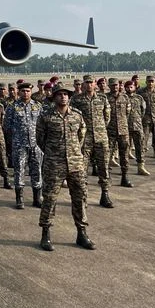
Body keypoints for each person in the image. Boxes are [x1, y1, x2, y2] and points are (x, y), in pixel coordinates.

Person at [36, 83, 95, 252]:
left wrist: (74, 152)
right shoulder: (46, 116)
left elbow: (81, 136)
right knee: (50, 199)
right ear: (54, 97)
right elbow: (40, 139)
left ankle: (81, 233)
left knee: (80, 197)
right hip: (54, 164)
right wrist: (54, 153)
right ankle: (45, 234)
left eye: (66, 94)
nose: (63, 96)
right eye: (59, 94)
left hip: (76, 163)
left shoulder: (77, 115)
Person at [71, 75, 114, 208]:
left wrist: (100, 129)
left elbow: (107, 117)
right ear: (83, 84)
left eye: (91, 82)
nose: (89, 85)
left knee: (104, 168)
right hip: (85, 139)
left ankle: (105, 194)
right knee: (82, 169)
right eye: (87, 82)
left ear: (95, 84)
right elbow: (73, 117)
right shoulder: (77, 99)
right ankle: (83, 196)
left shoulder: (102, 98)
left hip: (101, 138)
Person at [4, 82, 44, 209]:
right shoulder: (12, 107)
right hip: (19, 145)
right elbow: (7, 126)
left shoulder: (38, 106)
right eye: (23, 91)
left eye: (28, 91)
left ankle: (37, 198)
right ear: (19, 92)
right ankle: (19, 199)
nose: (25, 93)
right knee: (19, 171)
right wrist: (15, 140)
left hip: (35, 145)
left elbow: (43, 125)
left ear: (31, 92)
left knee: (37, 171)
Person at [106, 78, 134, 188]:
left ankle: (125, 177)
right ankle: (107, 177)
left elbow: (127, 112)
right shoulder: (105, 98)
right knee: (107, 155)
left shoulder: (125, 97)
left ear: (119, 85)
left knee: (124, 155)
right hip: (110, 130)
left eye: (116, 85)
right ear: (109, 86)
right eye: (112, 85)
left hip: (123, 130)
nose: (115, 87)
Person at [125, 81, 150, 176]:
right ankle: (125, 168)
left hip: (137, 126)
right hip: (125, 127)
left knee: (140, 147)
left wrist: (137, 120)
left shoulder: (139, 98)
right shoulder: (122, 98)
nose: (129, 89)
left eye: (131, 87)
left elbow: (143, 111)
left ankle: (141, 166)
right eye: (127, 87)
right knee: (125, 148)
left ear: (135, 87)